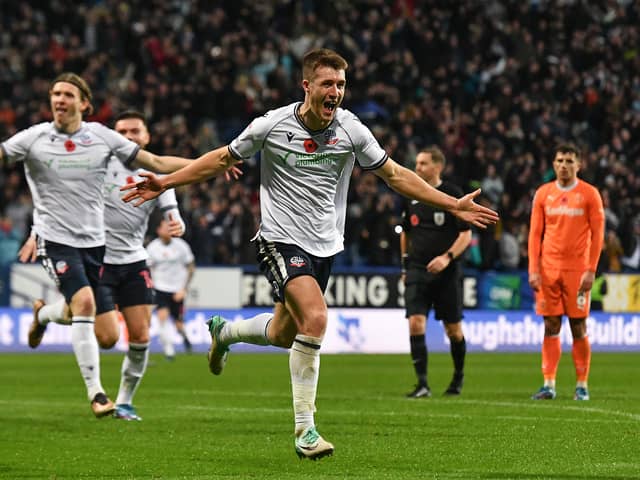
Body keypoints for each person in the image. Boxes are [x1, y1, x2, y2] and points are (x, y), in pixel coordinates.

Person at [121, 48, 499, 459]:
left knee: (286, 333)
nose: (335, 91)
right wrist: (166, 181)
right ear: (307, 86)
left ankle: (225, 333)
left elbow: (395, 175)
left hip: (325, 246)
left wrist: (450, 203)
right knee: (316, 318)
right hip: (279, 239)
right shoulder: (271, 124)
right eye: (327, 84)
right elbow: (220, 158)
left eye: (340, 84)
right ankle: (306, 430)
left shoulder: (351, 129)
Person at [0, 72, 206, 417]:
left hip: (117, 254)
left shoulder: (119, 153)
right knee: (87, 309)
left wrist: (214, 163)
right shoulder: (47, 141)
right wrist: (37, 229)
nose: (59, 100)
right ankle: (97, 394)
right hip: (72, 246)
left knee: (128, 333)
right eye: (55, 93)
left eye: (133, 133)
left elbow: (161, 174)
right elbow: (57, 191)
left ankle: (119, 395)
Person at [528, 143, 604, 401]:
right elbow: (535, 234)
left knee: (578, 325)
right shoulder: (543, 194)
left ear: (579, 165)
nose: (564, 165)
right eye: (560, 160)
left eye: (569, 161)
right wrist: (533, 269)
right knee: (551, 324)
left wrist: (591, 269)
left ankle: (581, 385)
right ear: (553, 164)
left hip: (577, 270)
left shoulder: (590, 194)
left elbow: (598, 234)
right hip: (548, 270)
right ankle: (548, 384)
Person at [400, 146, 471, 398]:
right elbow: (406, 231)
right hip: (418, 269)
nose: (417, 168)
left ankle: (458, 378)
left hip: (447, 272)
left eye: (422, 163)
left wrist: (447, 257)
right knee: (415, 323)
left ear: (437, 167)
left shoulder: (452, 194)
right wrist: (405, 264)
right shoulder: (411, 194)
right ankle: (422, 384)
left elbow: (466, 233)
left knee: (453, 330)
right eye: (417, 163)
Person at [146, 218, 196, 360]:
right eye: (165, 227)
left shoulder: (181, 246)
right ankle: (169, 350)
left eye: (170, 227)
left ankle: (185, 337)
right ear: (158, 230)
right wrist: (151, 287)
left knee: (178, 323)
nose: (168, 230)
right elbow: (148, 269)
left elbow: (191, 267)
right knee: (162, 317)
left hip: (177, 290)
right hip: (160, 289)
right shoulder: (152, 248)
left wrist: (184, 289)